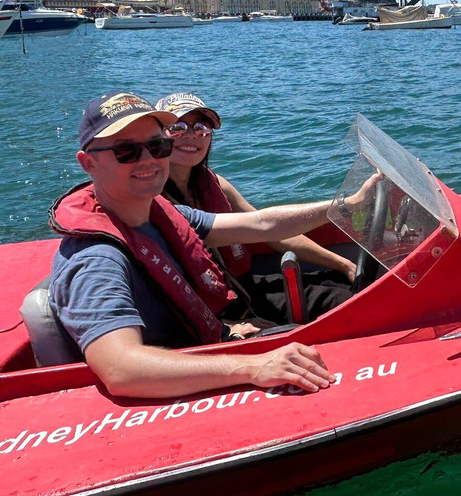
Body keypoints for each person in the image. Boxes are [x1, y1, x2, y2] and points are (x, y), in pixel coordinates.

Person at [47, 91, 368, 399]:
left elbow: (262, 225)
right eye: (126, 151)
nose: (148, 160)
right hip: (178, 377)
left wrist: (348, 204)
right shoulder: (96, 260)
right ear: (88, 163)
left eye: (157, 146)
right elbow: (120, 369)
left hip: (213, 340)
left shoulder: (160, 214)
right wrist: (252, 365)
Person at [153, 92, 356, 324]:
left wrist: (344, 264)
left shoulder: (216, 184)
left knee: (340, 283)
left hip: (247, 287)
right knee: (341, 301)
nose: (191, 136)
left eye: (201, 127)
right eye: (178, 127)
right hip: (220, 311)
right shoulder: (154, 202)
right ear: (157, 138)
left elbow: (274, 235)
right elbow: (264, 226)